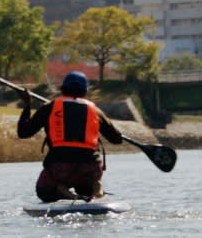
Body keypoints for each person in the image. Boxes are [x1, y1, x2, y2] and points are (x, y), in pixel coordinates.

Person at [19, 70, 133, 201]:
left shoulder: (49, 107)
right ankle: (96, 187)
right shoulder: (95, 110)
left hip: (60, 168)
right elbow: (116, 139)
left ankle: (61, 189)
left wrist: (27, 105)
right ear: (85, 91)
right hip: (90, 168)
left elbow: (23, 132)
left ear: (63, 89)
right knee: (85, 187)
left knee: (44, 191)